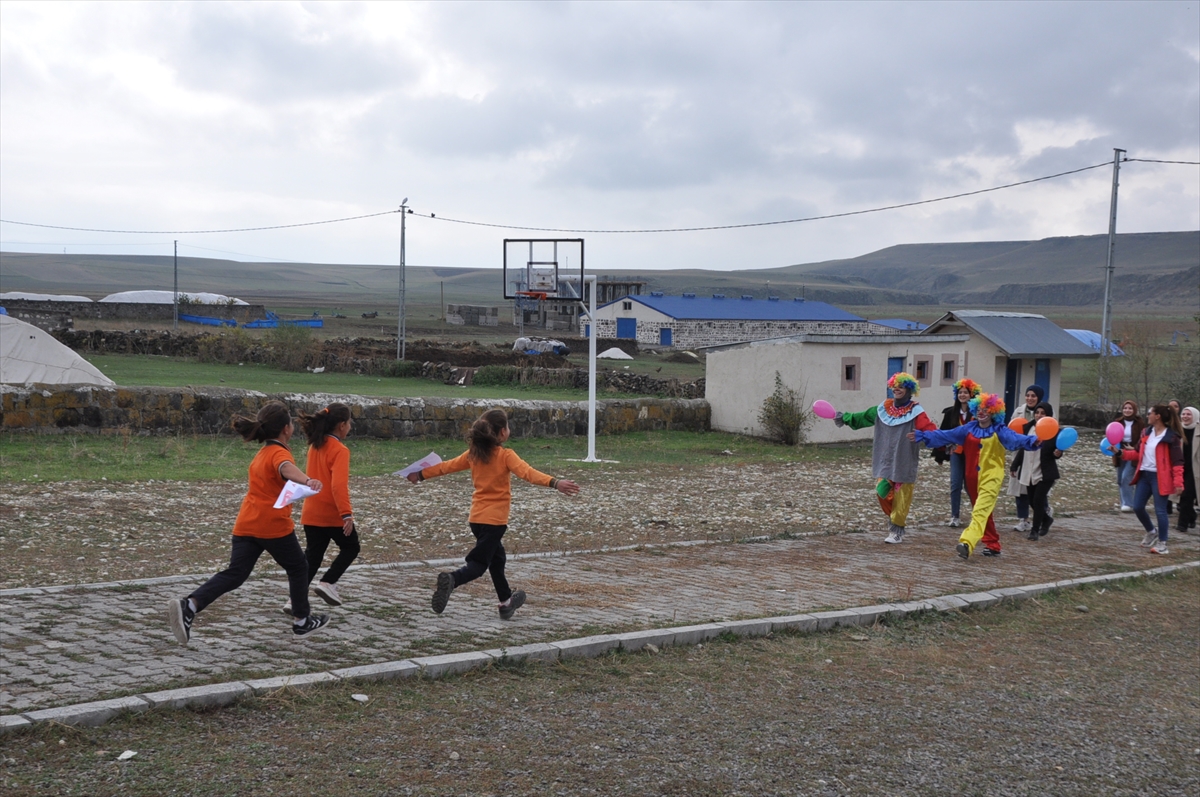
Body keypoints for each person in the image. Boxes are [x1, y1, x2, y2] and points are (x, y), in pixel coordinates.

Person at [167, 401, 330, 646]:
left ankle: (190, 605)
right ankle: (301, 621)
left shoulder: (262, 452)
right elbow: (285, 468)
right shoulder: (279, 453)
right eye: (290, 423)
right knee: (299, 567)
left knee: (236, 574)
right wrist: (309, 480)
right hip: (271, 524)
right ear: (285, 428)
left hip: (246, 523)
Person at [407, 409, 580, 619]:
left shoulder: (473, 454)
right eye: (506, 426)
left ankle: (506, 603)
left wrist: (421, 475)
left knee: (497, 560)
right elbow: (528, 473)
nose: (508, 430)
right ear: (501, 434)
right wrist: (555, 482)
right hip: (495, 521)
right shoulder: (506, 455)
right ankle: (452, 579)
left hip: (476, 520)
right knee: (479, 564)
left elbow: (445, 467)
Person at [912, 393, 1040, 559]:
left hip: (991, 477)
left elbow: (1015, 439)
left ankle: (967, 543)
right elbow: (946, 435)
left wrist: (1031, 441)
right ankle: (993, 543)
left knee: (979, 511)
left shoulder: (999, 430)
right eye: (979, 409)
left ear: (994, 412)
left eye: (986, 409)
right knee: (983, 510)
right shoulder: (969, 428)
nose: (981, 412)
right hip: (971, 477)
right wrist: (923, 435)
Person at [833, 372, 938, 544]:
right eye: (895, 386)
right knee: (882, 493)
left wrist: (944, 442)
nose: (897, 389)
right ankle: (894, 521)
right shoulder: (884, 408)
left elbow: (930, 430)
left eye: (902, 386)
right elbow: (864, 416)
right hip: (885, 460)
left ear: (909, 390)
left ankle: (896, 530)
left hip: (904, 461)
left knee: (901, 497)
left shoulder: (916, 412)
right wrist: (845, 417)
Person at [286, 402, 360, 613]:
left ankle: (294, 600)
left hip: (311, 511)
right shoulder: (340, 450)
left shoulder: (315, 445)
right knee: (351, 547)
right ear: (342, 425)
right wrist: (346, 514)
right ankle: (328, 582)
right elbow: (338, 486)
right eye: (349, 423)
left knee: (313, 556)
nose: (350, 427)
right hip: (331, 512)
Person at [1121, 403, 1185, 554]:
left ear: (1158, 416)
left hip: (1160, 477)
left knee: (1160, 510)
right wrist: (1119, 453)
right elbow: (1137, 453)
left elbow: (1178, 462)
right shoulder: (1146, 432)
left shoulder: (1171, 437)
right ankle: (1151, 531)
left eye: (1150, 413)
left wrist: (1178, 482)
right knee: (1137, 506)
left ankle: (1163, 544)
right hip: (1144, 475)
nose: (1147, 415)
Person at [1010, 401, 1064, 540]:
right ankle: (1046, 519)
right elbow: (1023, 448)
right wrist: (1015, 465)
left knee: (1039, 499)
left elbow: (1057, 450)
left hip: (1045, 472)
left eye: (1043, 413)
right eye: (1037, 412)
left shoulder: (1053, 431)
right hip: (1029, 469)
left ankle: (1035, 530)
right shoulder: (1028, 428)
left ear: (1048, 415)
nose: (1039, 415)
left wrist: (1058, 453)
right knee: (1032, 501)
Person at [933, 378, 982, 528]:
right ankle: (955, 516)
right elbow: (943, 433)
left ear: (971, 395)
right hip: (956, 452)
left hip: (973, 454)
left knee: (971, 484)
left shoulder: (978, 412)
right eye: (960, 393)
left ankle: (978, 514)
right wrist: (939, 454)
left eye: (965, 393)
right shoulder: (950, 413)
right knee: (955, 484)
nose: (962, 395)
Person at [1007, 384, 1043, 532]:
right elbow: (1011, 429)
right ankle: (1024, 519)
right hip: (1020, 453)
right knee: (1019, 488)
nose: (1030, 398)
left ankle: (1043, 513)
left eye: (1033, 396)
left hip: (1038, 455)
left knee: (1036, 488)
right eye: (1028, 395)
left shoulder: (1045, 412)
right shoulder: (1019, 411)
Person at [1112, 400, 1144, 512]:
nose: (1127, 410)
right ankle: (1124, 503)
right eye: (1125, 408)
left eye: (1130, 408)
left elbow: (1143, 438)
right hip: (1119, 452)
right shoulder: (1117, 422)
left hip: (1133, 453)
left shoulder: (1140, 423)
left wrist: (1135, 447)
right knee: (1120, 479)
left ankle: (1128, 504)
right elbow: (1112, 436)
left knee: (1127, 477)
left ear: (1134, 410)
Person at [1178, 406, 1197, 533]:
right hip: (1180, 467)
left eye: (1188, 414)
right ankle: (1192, 516)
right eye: (1183, 414)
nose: (1185, 416)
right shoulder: (1177, 430)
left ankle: (1182, 524)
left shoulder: (1198, 429)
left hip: (1195, 468)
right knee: (1183, 496)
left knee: (1186, 495)